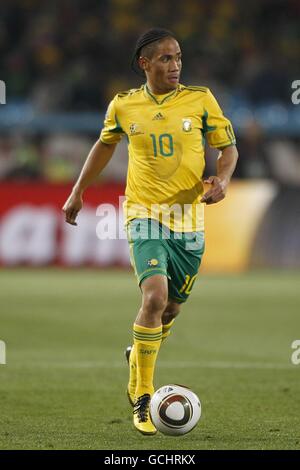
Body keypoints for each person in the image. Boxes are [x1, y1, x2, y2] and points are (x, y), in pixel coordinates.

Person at [62, 28, 239, 435]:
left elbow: (228, 148)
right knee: (154, 295)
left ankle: (138, 354)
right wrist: (78, 191)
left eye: (178, 57)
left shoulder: (201, 100)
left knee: (171, 308)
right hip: (143, 214)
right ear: (145, 63)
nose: (175, 65)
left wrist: (224, 180)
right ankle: (142, 395)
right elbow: (104, 145)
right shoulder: (124, 106)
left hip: (189, 219)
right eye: (165, 59)